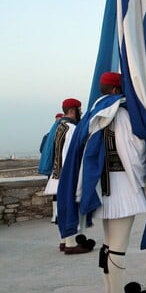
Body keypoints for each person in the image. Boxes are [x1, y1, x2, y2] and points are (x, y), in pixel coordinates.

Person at [59, 71, 146, 293]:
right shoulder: (123, 115)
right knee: (118, 247)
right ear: (116, 90)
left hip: (102, 189)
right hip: (123, 189)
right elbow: (136, 154)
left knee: (108, 245)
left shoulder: (92, 115)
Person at [43, 98, 95, 254]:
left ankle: (63, 241)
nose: (80, 113)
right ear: (72, 111)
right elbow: (71, 154)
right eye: (79, 110)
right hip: (67, 175)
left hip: (57, 174)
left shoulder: (59, 127)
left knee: (62, 209)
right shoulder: (72, 128)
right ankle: (71, 244)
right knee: (71, 209)